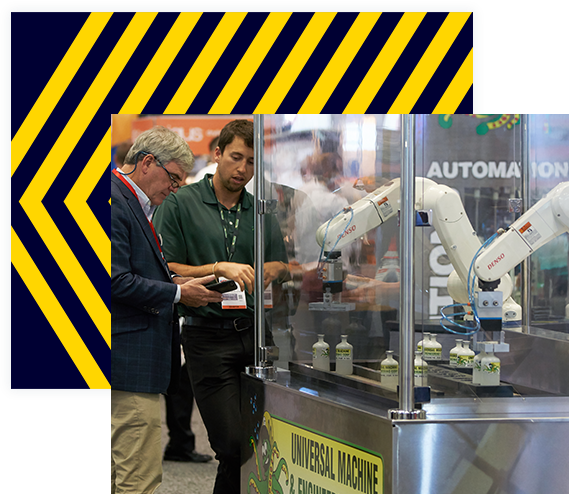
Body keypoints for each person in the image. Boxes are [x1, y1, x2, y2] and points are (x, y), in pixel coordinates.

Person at [153, 119, 289, 494]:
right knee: (230, 441)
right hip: (207, 338)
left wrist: (268, 270)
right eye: (235, 158)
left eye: (250, 162)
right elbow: (165, 266)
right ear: (217, 154)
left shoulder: (260, 209)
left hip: (256, 337)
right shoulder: (182, 203)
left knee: (254, 446)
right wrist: (216, 268)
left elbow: (281, 264)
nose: (242, 169)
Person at [111, 125, 223, 494]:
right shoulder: (116, 202)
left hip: (136, 364)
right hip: (129, 365)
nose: (174, 189)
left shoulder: (135, 204)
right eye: (173, 179)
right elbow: (115, 280)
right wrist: (176, 296)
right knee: (138, 479)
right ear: (146, 163)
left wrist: (176, 286)